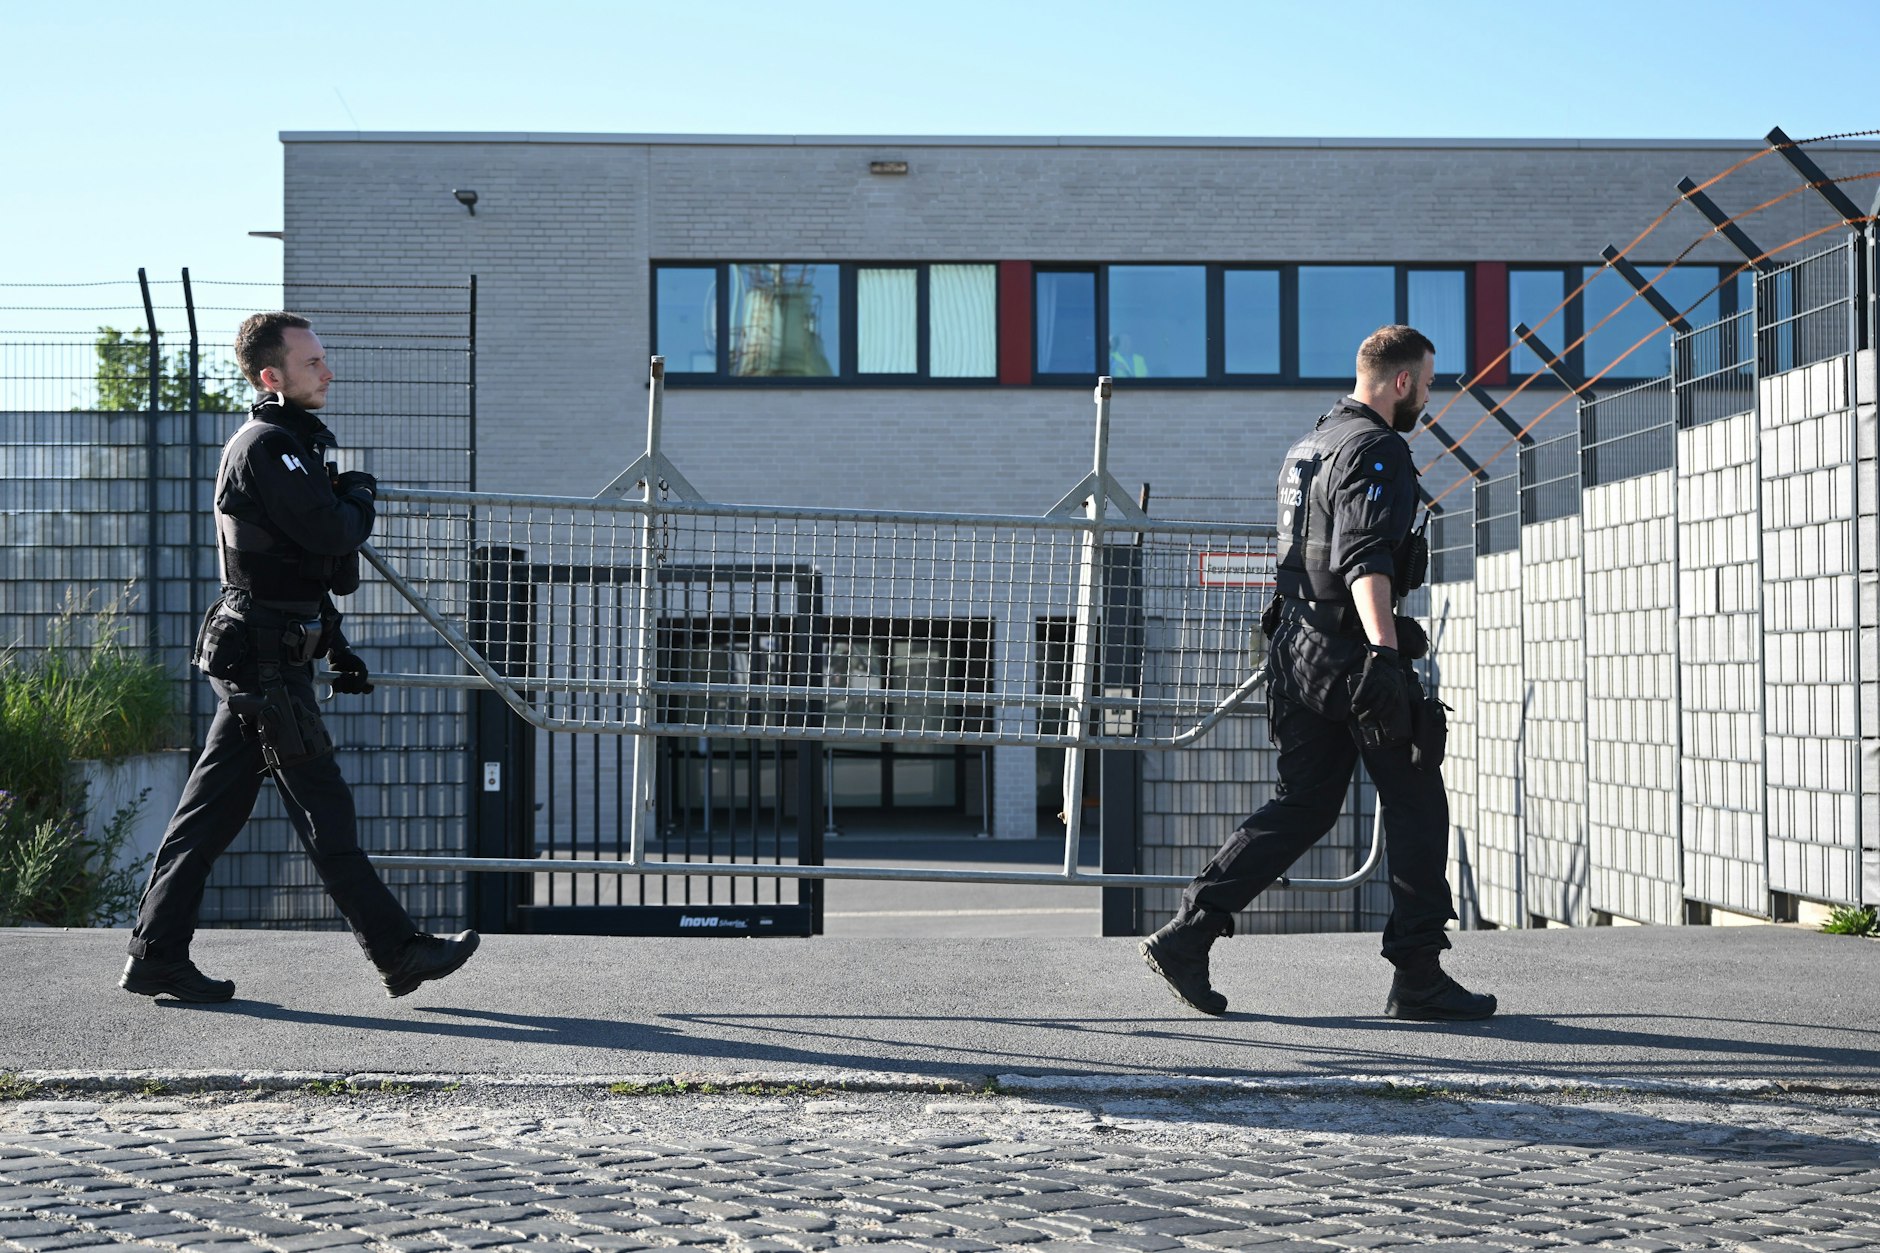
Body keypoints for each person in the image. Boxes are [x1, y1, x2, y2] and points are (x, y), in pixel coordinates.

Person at [1140, 324, 1495, 1022]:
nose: (1430, 394)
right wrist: (1388, 658)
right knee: (1417, 795)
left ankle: (1190, 930)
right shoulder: (1378, 447)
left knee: (1305, 802)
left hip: (1296, 648)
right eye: (1427, 382)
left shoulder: (1313, 441)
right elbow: (1366, 558)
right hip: (1350, 654)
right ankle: (1418, 974)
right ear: (1400, 382)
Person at [121, 312, 479, 1003]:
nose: (328, 371)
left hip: (272, 657)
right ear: (270, 375)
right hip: (264, 666)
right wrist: (359, 498)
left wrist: (336, 642)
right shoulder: (267, 447)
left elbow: (319, 569)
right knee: (324, 809)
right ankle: (398, 951)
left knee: (209, 817)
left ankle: (155, 954)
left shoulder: (294, 447)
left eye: (323, 358)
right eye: (312, 362)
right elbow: (328, 532)